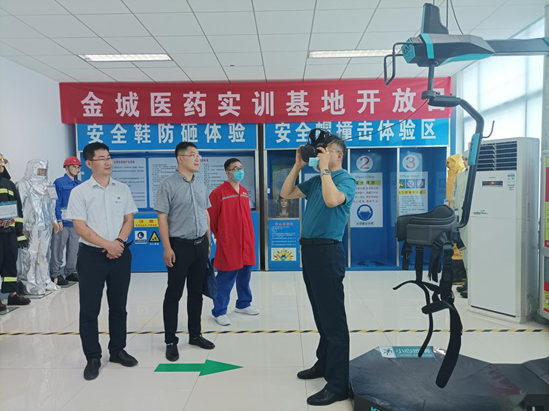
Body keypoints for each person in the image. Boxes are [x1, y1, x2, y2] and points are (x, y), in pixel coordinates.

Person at [280, 135, 356, 407]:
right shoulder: (314, 181)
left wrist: (324, 169)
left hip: (328, 251)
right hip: (310, 252)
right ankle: (324, 364)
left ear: (339, 155)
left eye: (326, 151)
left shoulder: (346, 180)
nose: (320, 155)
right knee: (321, 316)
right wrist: (298, 166)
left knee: (333, 320)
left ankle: (337, 385)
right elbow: (286, 193)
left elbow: (333, 200)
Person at [66, 142, 138, 381]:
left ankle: (117, 350)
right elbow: (80, 227)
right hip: (91, 257)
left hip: (120, 254)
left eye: (109, 157)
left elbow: (129, 220)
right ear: (89, 163)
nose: (108, 162)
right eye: (102, 158)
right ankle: (93, 357)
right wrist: (107, 244)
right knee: (89, 309)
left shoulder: (122, 189)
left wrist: (118, 242)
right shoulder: (80, 192)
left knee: (118, 307)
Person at [155, 142, 215, 362]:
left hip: (200, 245)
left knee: (196, 292)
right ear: (180, 158)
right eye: (192, 155)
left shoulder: (200, 184)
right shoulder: (167, 185)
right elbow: (162, 217)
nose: (197, 159)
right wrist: (167, 247)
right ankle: (170, 341)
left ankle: (195, 334)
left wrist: (208, 240)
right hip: (179, 246)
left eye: (198, 155)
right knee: (174, 294)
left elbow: (205, 212)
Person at [208, 158, 257, 326]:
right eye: (235, 168)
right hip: (229, 242)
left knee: (245, 274)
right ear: (228, 172)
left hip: (246, 241)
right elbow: (211, 219)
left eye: (241, 168)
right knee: (226, 277)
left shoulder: (243, 191)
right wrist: (222, 235)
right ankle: (219, 311)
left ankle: (243, 304)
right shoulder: (218, 193)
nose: (239, 171)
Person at [17, 159, 61, 295]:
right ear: (32, 169)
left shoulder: (48, 184)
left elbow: (52, 203)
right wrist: (20, 226)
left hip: (46, 225)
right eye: (40, 169)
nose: (42, 172)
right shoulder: (23, 184)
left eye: (44, 170)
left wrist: (54, 220)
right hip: (31, 225)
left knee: (43, 254)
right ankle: (30, 283)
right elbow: (19, 206)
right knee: (30, 254)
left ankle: (44, 280)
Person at [0, 154, 30, 312]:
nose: (1, 166)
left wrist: (19, 232)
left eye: (2, 164)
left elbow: (18, 210)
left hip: (9, 232)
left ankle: (12, 295)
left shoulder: (9, 184)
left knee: (10, 262)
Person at [50, 156, 82, 286]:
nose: (76, 169)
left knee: (74, 249)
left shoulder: (79, 184)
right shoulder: (58, 182)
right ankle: (55, 273)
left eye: (78, 167)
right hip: (61, 222)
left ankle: (70, 271)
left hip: (75, 222)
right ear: (67, 167)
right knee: (58, 249)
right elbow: (55, 202)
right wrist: (57, 219)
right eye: (74, 167)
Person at [452, 150, 470, 298]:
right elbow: (454, 195)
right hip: (461, 219)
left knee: (471, 251)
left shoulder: (477, 176)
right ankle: (468, 280)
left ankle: (473, 283)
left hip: (472, 220)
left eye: (466, 159)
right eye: (463, 159)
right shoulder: (460, 176)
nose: (464, 162)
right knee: (463, 249)